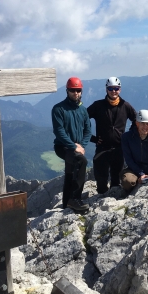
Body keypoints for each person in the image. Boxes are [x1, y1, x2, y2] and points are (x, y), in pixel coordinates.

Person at [87, 77, 136, 194]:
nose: (113, 91)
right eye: (110, 88)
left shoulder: (125, 106)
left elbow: (137, 120)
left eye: (116, 88)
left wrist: (129, 136)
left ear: (120, 89)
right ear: (106, 89)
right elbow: (82, 120)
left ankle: (114, 201)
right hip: (102, 147)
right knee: (101, 179)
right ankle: (100, 200)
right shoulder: (98, 105)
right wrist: (91, 138)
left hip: (119, 148)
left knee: (116, 180)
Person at [52, 77, 91, 212]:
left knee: (70, 172)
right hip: (62, 147)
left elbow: (88, 130)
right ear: (67, 90)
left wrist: (82, 145)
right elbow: (59, 132)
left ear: (81, 91)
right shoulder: (59, 109)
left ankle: (66, 204)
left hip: (77, 147)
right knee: (81, 161)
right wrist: (74, 146)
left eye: (78, 90)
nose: (76, 93)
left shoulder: (83, 110)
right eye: (73, 90)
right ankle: (75, 199)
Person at [120, 110, 148, 192]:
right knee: (127, 182)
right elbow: (128, 160)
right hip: (133, 170)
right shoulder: (127, 137)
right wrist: (140, 174)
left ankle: (142, 181)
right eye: (142, 123)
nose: (145, 126)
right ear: (137, 123)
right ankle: (137, 182)